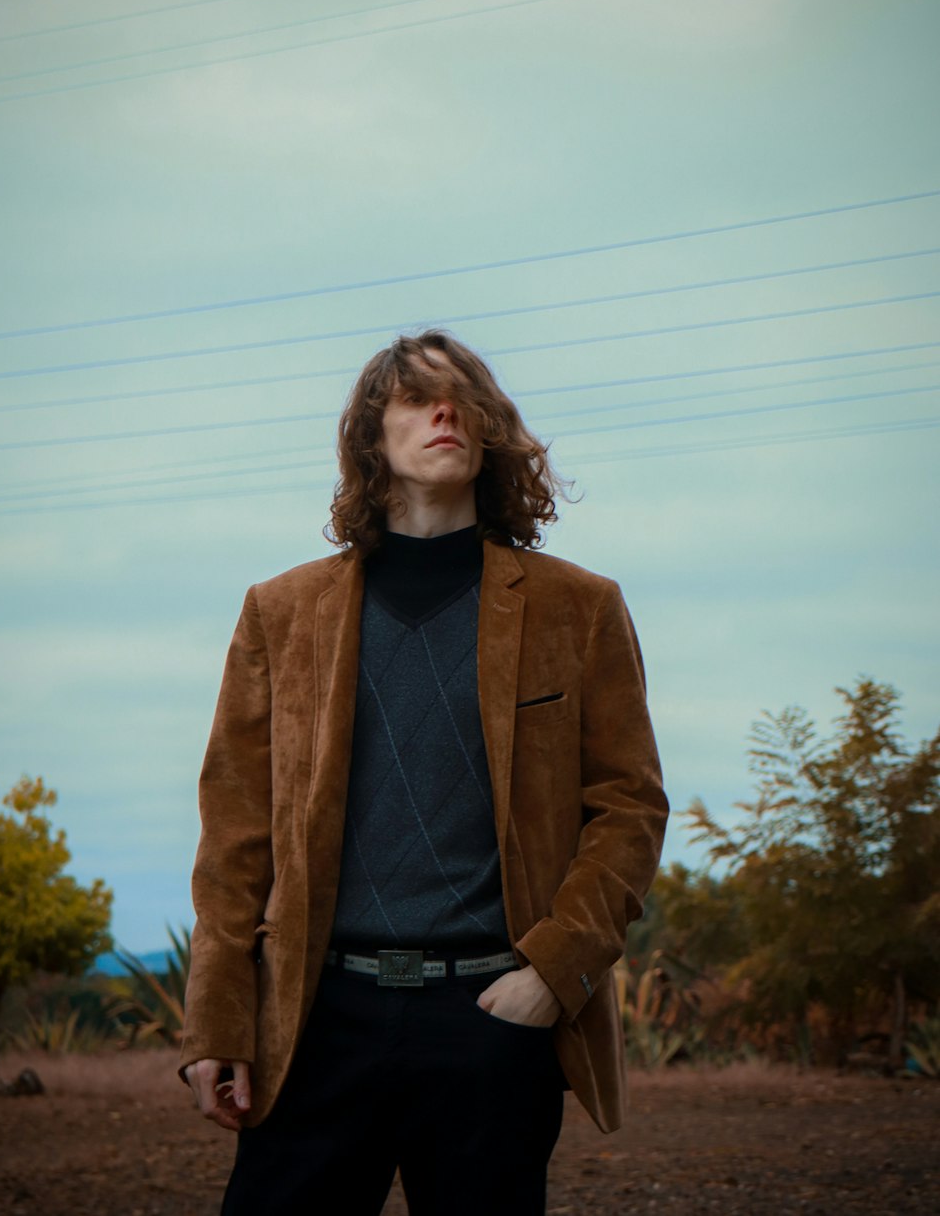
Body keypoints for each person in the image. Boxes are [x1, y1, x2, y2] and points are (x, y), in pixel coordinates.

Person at [180, 329, 668, 1216]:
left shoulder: (578, 607)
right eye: (414, 398)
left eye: (462, 398)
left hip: (490, 1021)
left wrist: (554, 973)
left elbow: (629, 808)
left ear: (489, 432)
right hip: (317, 1020)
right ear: (373, 440)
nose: (443, 412)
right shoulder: (280, 613)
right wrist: (218, 1020)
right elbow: (234, 833)